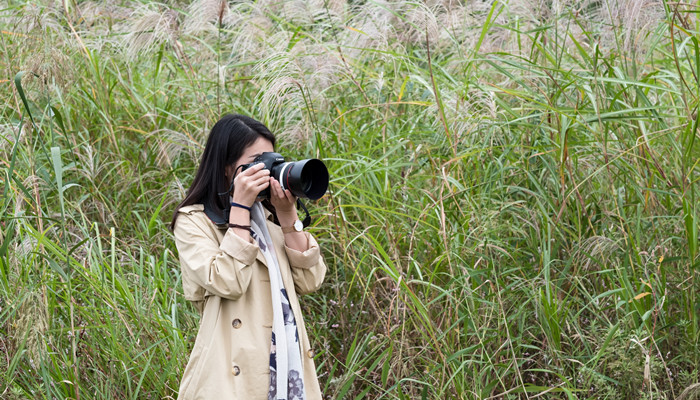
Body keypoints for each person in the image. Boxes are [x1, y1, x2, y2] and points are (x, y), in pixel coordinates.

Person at [170, 114, 327, 399]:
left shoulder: (270, 218)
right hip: (229, 377)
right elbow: (228, 281)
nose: (267, 170)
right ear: (228, 167)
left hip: (287, 367)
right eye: (257, 161)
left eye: (271, 160)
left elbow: (311, 280)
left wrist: (288, 214)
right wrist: (239, 207)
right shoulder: (194, 221)